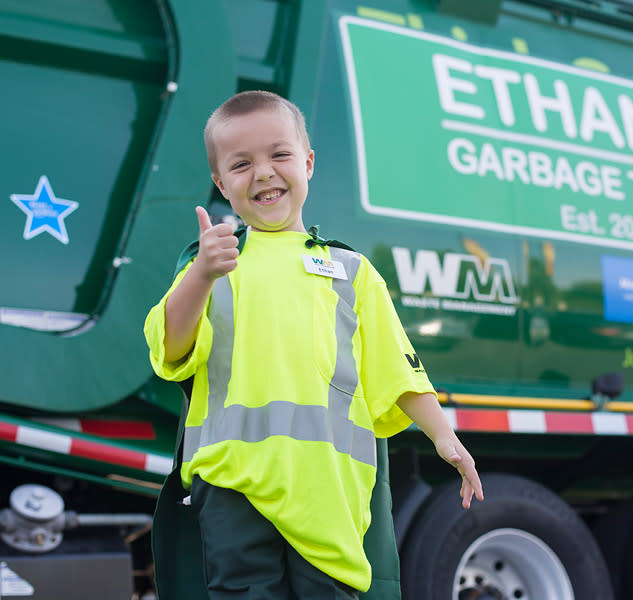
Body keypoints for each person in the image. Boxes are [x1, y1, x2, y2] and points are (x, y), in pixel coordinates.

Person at [143, 90, 483, 599]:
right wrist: (201, 273)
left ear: (308, 162)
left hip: (330, 490)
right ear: (220, 183)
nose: (263, 173)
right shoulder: (213, 265)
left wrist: (443, 436)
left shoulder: (353, 273)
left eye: (279, 155)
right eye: (241, 164)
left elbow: (399, 370)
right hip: (232, 483)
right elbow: (169, 347)